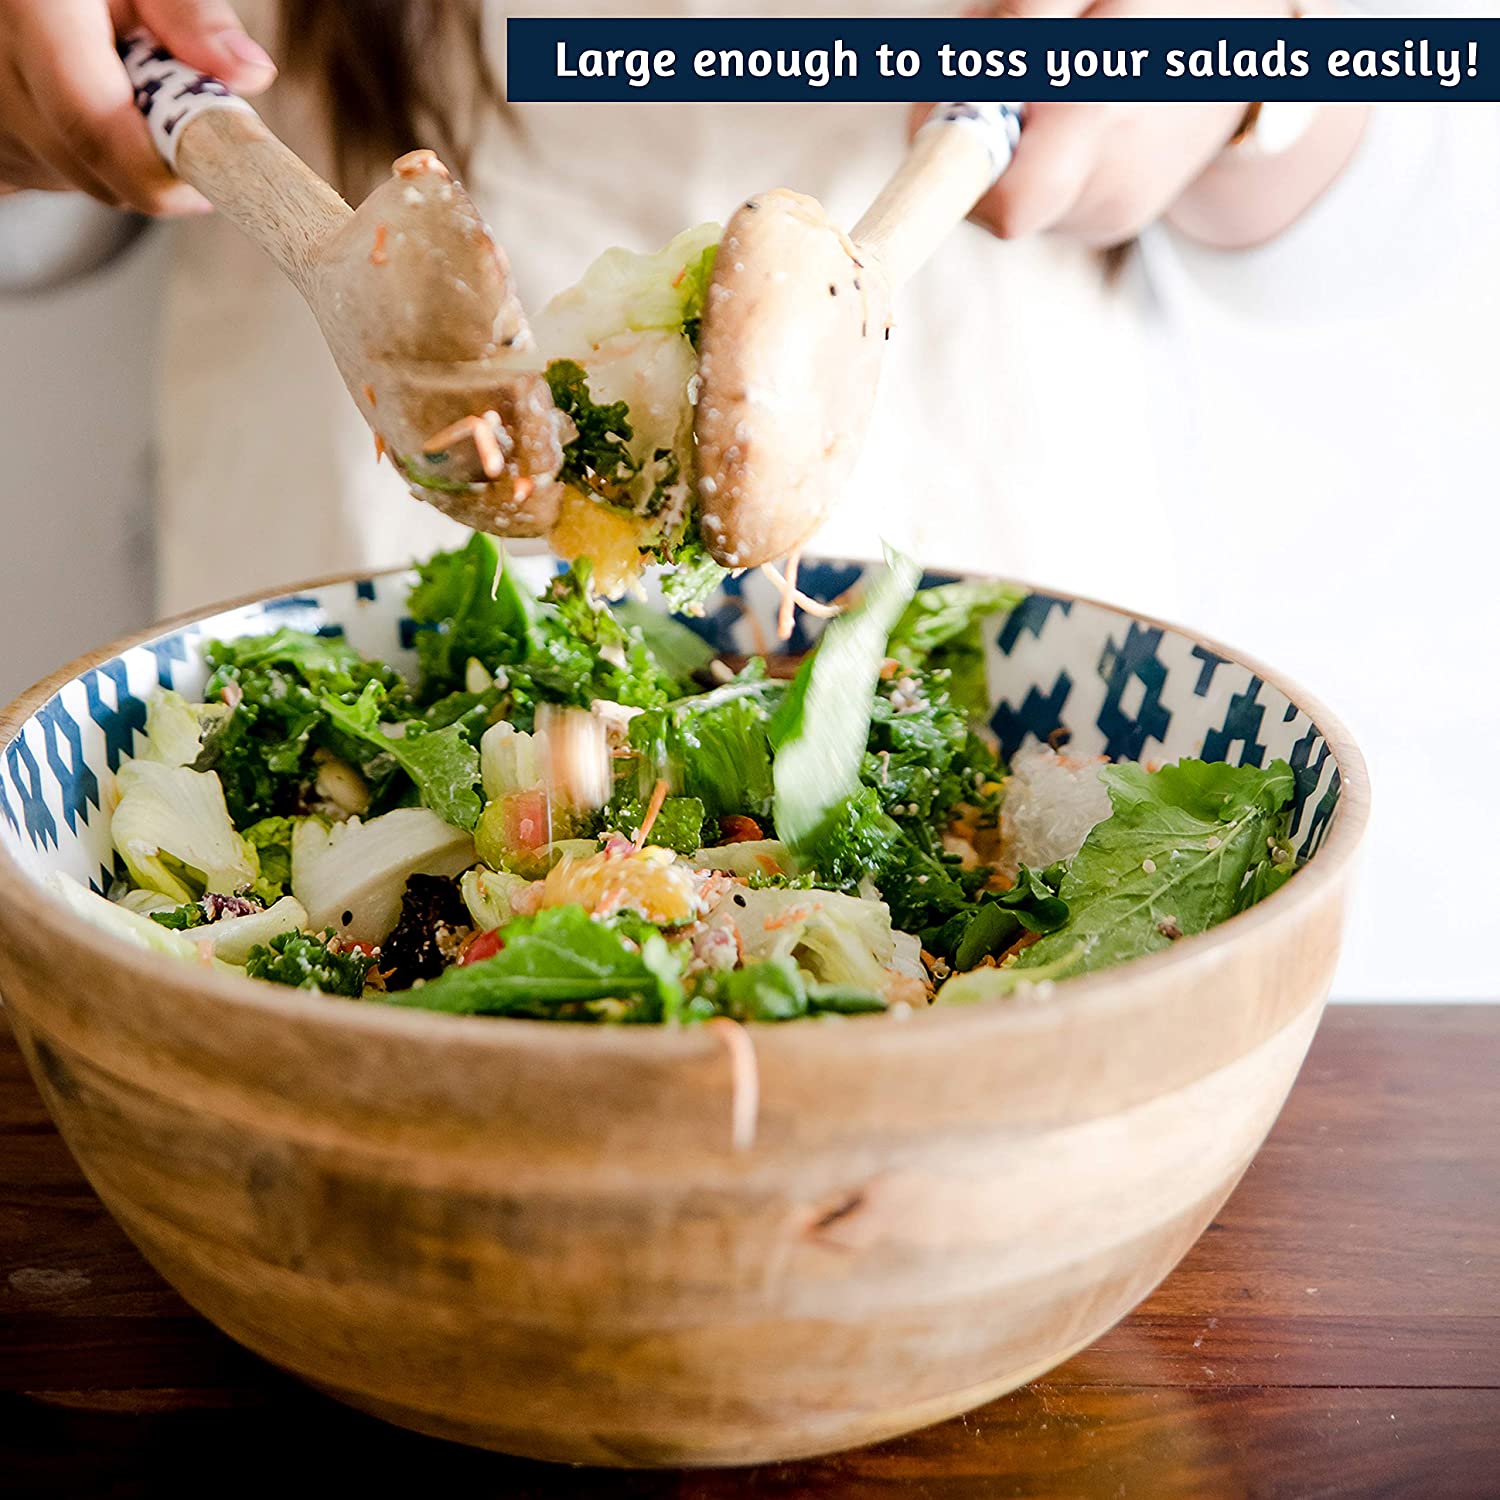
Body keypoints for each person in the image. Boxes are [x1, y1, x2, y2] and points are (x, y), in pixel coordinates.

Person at [1, 0, 1496, 1000]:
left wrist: (1250, 78)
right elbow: (50, 236)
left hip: (991, 583)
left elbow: (1415, 166)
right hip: (333, 553)